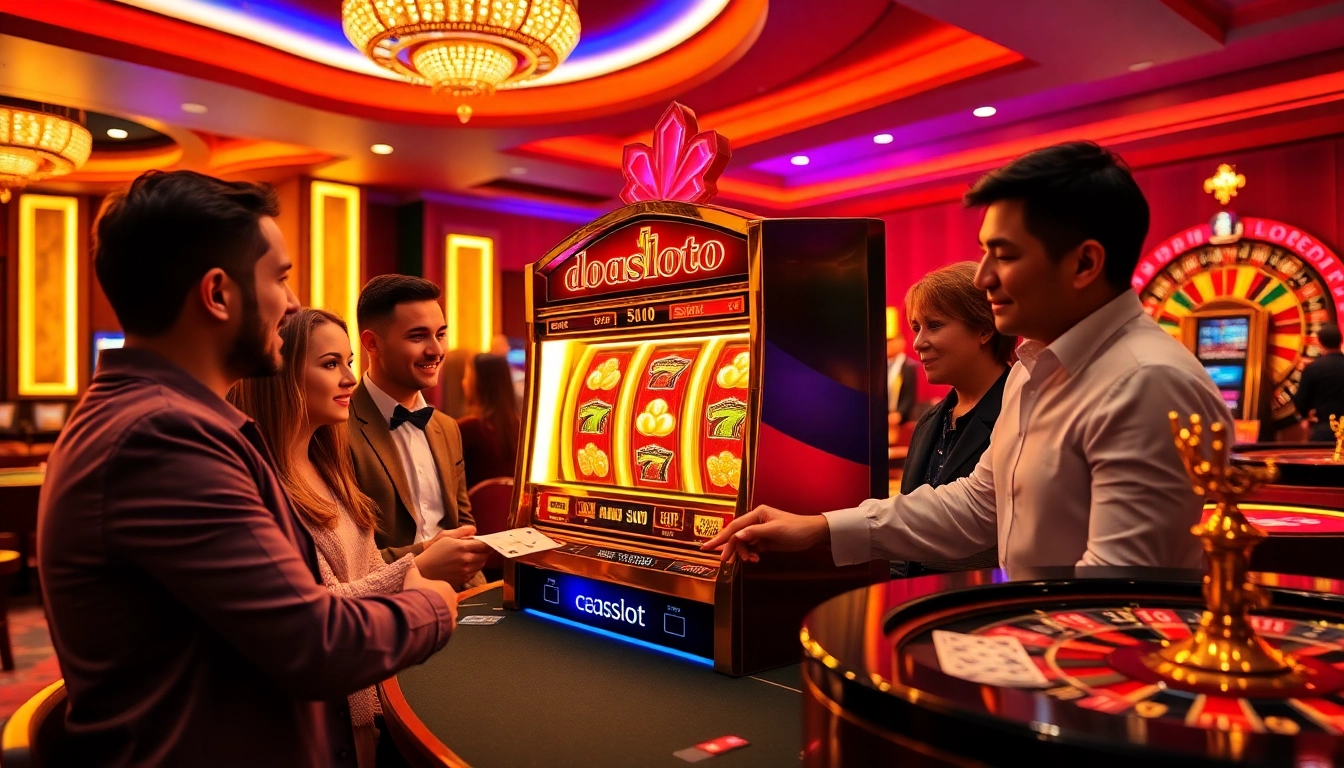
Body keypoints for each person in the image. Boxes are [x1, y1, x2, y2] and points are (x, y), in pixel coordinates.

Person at [38, 170, 457, 767]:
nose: (289, 304)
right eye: (280, 278)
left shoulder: (167, 420)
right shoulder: (164, 437)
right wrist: (437, 604)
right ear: (218, 294)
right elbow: (315, 643)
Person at [704, 141, 1232, 572]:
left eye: (1003, 255)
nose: (983, 278)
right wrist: (819, 527)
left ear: (1085, 263)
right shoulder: (1034, 369)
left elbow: (1120, 589)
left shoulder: (1147, 381)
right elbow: (979, 506)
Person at [229, 308, 473, 768]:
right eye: (329, 364)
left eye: (347, 362)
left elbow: (368, 569)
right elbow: (320, 608)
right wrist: (418, 568)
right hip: (324, 714)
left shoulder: (327, 464)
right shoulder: (265, 486)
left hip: (370, 692)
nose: (348, 378)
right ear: (280, 378)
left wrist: (422, 559)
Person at [351, 274, 489, 588]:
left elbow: (464, 526)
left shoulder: (446, 427)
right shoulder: (335, 429)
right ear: (372, 343)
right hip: (387, 606)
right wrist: (426, 558)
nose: (436, 349)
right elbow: (343, 562)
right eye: (418, 337)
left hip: (462, 596)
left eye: (441, 334)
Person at [896, 261, 1015, 576]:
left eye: (934, 325)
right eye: (916, 328)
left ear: (985, 329)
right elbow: (909, 524)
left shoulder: (1022, 411)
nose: (918, 343)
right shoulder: (930, 420)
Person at [459, 352, 522, 489]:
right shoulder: (523, 428)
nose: (463, 383)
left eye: (467, 377)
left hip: (473, 510)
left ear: (479, 384)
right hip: (512, 510)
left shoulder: (467, 428)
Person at [1293, 322, 1344, 442]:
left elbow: (1300, 401)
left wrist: (1306, 415)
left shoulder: (1313, 368)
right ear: (1340, 342)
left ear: (1320, 343)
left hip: (1324, 430)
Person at [887, 333, 918, 430]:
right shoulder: (882, 365)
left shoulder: (908, 366)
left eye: (892, 342)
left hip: (901, 418)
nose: (889, 345)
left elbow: (909, 395)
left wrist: (899, 413)